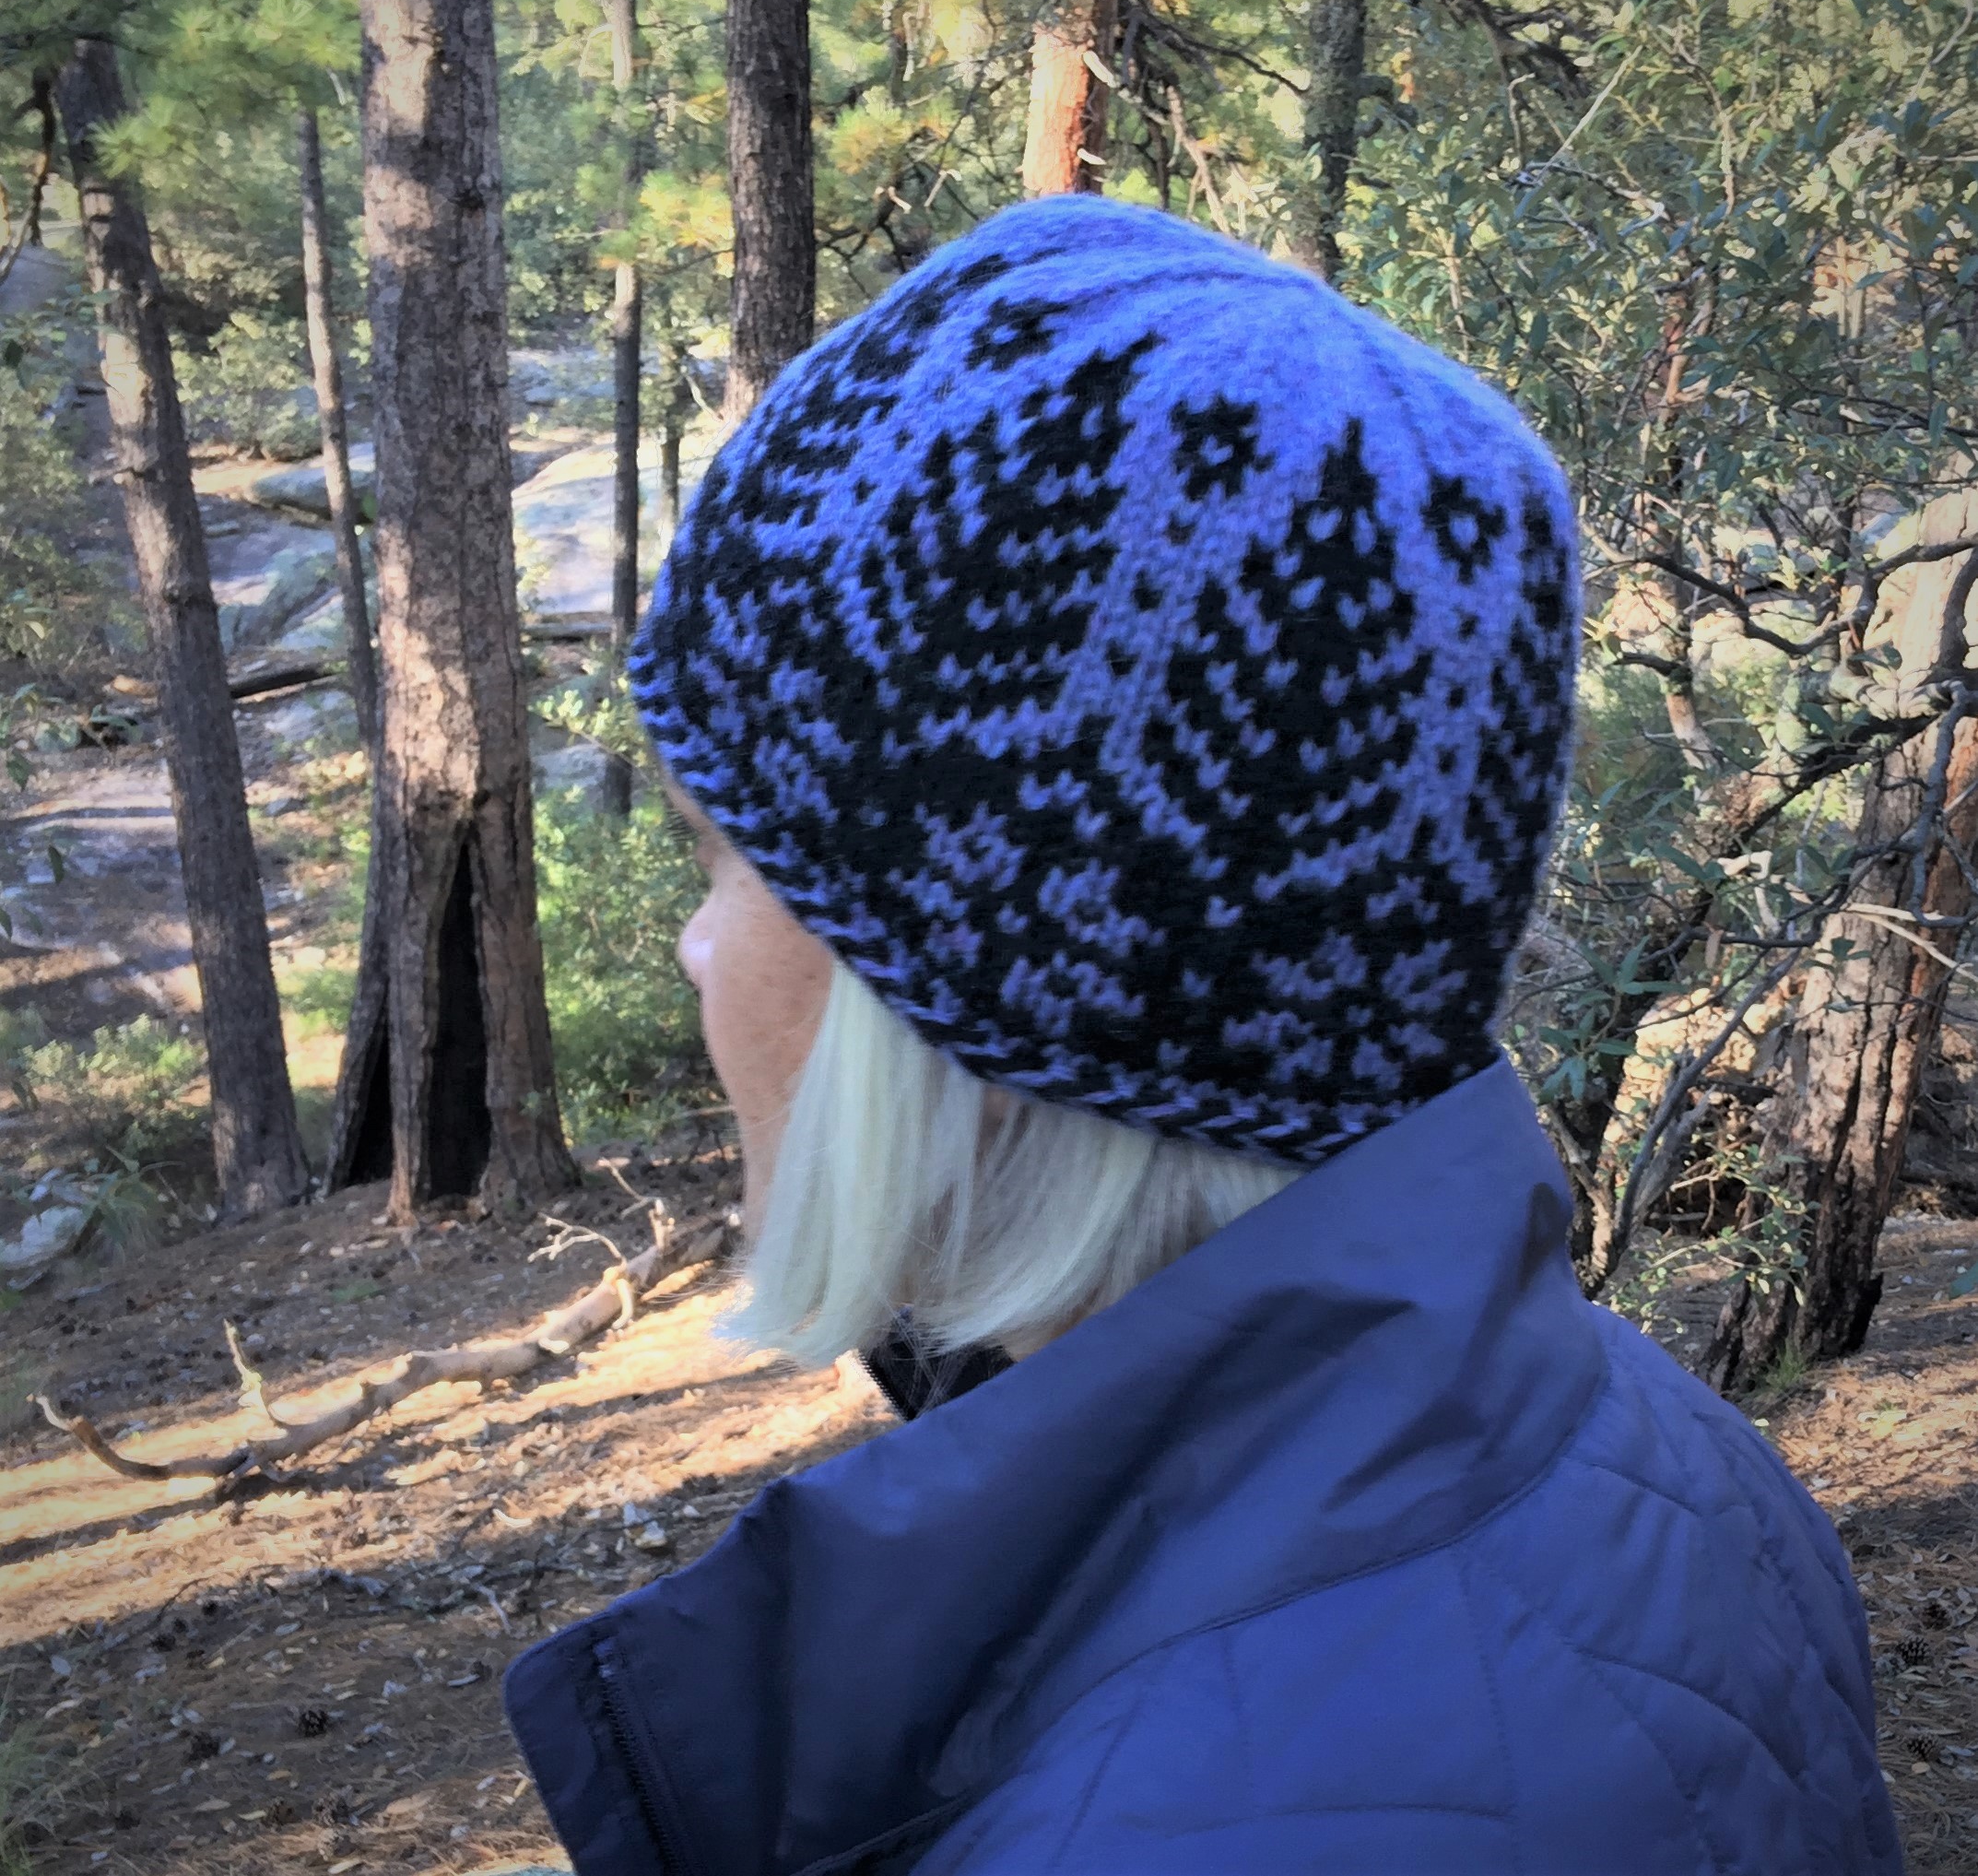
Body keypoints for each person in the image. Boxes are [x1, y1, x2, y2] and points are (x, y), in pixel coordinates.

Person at [503, 197, 1900, 1875]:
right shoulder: (1647, 1446)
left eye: (726, 849)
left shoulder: (1188, 1821)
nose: (696, 938)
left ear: (965, 993)